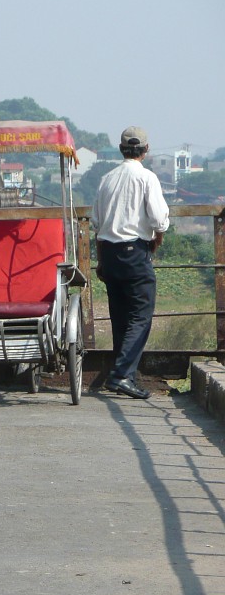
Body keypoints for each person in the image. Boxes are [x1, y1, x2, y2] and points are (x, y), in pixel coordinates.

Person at [92, 126, 170, 399]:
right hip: (135, 252)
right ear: (145, 151)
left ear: (121, 149)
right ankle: (122, 375)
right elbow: (159, 220)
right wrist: (156, 241)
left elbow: (97, 224)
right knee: (141, 314)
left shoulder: (107, 179)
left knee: (121, 316)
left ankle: (123, 372)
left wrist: (101, 261)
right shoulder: (147, 178)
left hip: (109, 254)